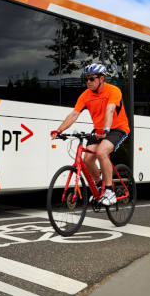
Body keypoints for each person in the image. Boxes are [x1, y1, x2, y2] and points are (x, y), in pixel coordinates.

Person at [51, 63, 130, 206]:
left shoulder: (114, 91)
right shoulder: (85, 95)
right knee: (87, 159)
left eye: (92, 79)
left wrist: (105, 129)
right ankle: (99, 186)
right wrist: (59, 130)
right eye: (86, 79)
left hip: (117, 128)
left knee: (101, 152)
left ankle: (109, 191)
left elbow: (110, 110)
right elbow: (74, 114)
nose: (88, 82)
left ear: (101, 79)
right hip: (99, 130)